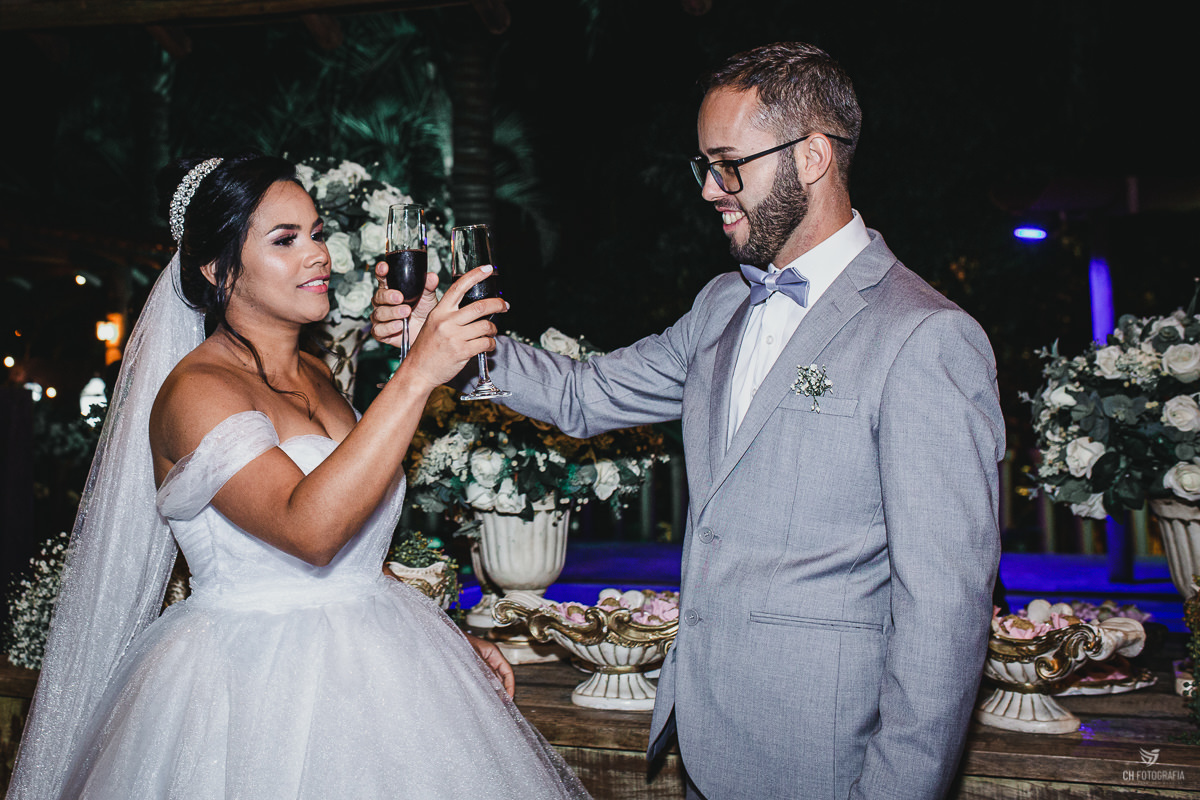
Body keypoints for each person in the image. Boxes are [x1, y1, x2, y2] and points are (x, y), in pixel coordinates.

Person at [373, 43, 1004, 799]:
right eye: (703, 165)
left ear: (811, 157)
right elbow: (583, 395)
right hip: (707, 742)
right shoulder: (721, 306)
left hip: (830, 754)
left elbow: (944, 613)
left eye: (728, 163)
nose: (710, 189)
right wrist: (444, 341)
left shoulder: (925, 337)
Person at [7, 153, 590, 800]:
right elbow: (308, 528)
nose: (318, 255)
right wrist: (418, 373)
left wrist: (448, 641)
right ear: (217, 269)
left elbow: (355, 545)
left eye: (316, 233)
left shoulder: (317, 377)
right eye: (284, 240)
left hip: (383, 663)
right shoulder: (198, 393)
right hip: (257, 693)